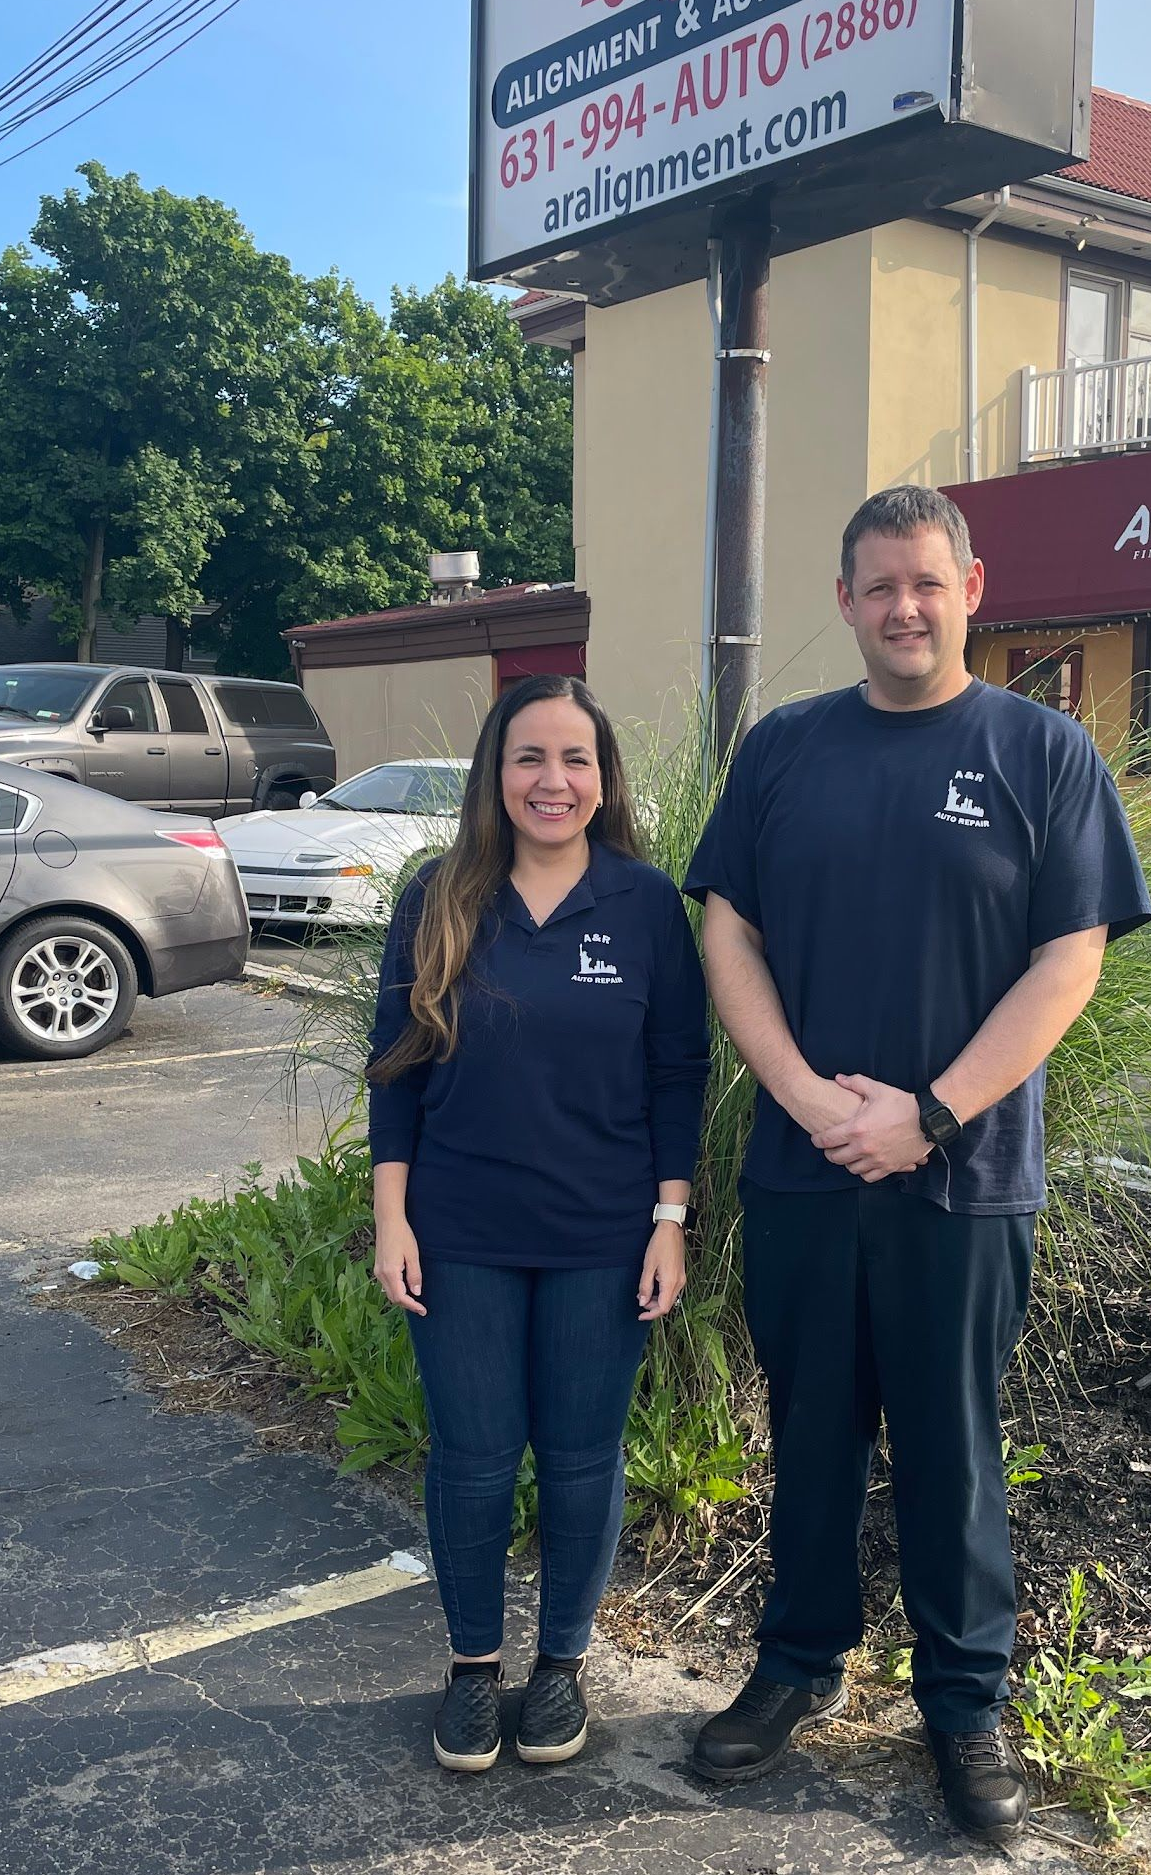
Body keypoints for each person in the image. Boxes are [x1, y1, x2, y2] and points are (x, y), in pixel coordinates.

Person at [683, 485, 1151, 1845]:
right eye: (879, 584)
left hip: (966, 1174)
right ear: (844, 599)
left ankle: (962, 1703)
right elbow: (729, 929)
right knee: (810, 1429)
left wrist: (928, 1114)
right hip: (805, 1167)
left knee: (954, 1447)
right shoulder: (783, 751)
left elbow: (1073, 958)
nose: (904, 607)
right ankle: (797, 1660)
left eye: (927, 583)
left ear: (971, 587)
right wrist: (806, 1098)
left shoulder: (1042, 752)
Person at [368, 674, 709, 1775]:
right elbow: (395, 1073)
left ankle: (560, 1663)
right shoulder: (438, 897)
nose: (552, 780)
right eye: (529, 757)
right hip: (458, 1228)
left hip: (602, 1235)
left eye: (575, 759)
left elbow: (676, 1076)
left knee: (577, 1457)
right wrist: (392, 1218)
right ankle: (474, 1667)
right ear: (494, 773)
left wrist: (670, 1219)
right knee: (471, 1459)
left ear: (602, 779)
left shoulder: (646, 903)